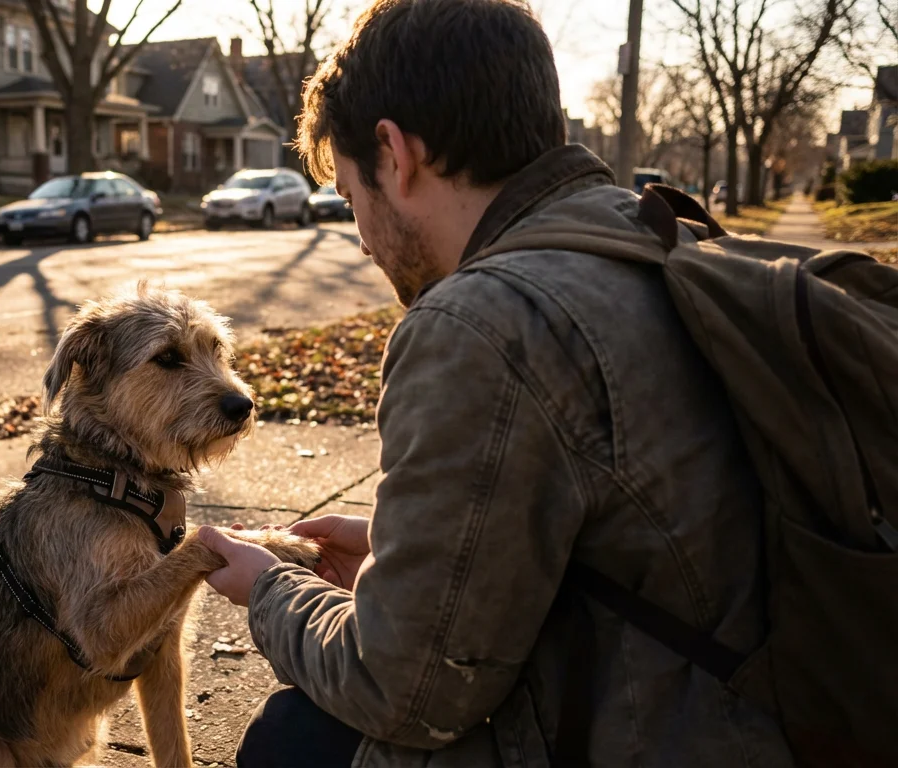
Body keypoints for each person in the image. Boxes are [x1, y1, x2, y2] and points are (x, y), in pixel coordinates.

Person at [195, 0, 795, 766]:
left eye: (352, 197)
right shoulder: (652, 235)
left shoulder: (481, 323)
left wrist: (269, 590)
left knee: (297, 739)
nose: (363, 238)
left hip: (656, 733)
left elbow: (402, 691)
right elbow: (637, 525)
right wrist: (397, 549)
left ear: (394, 153)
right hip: (756, 712)